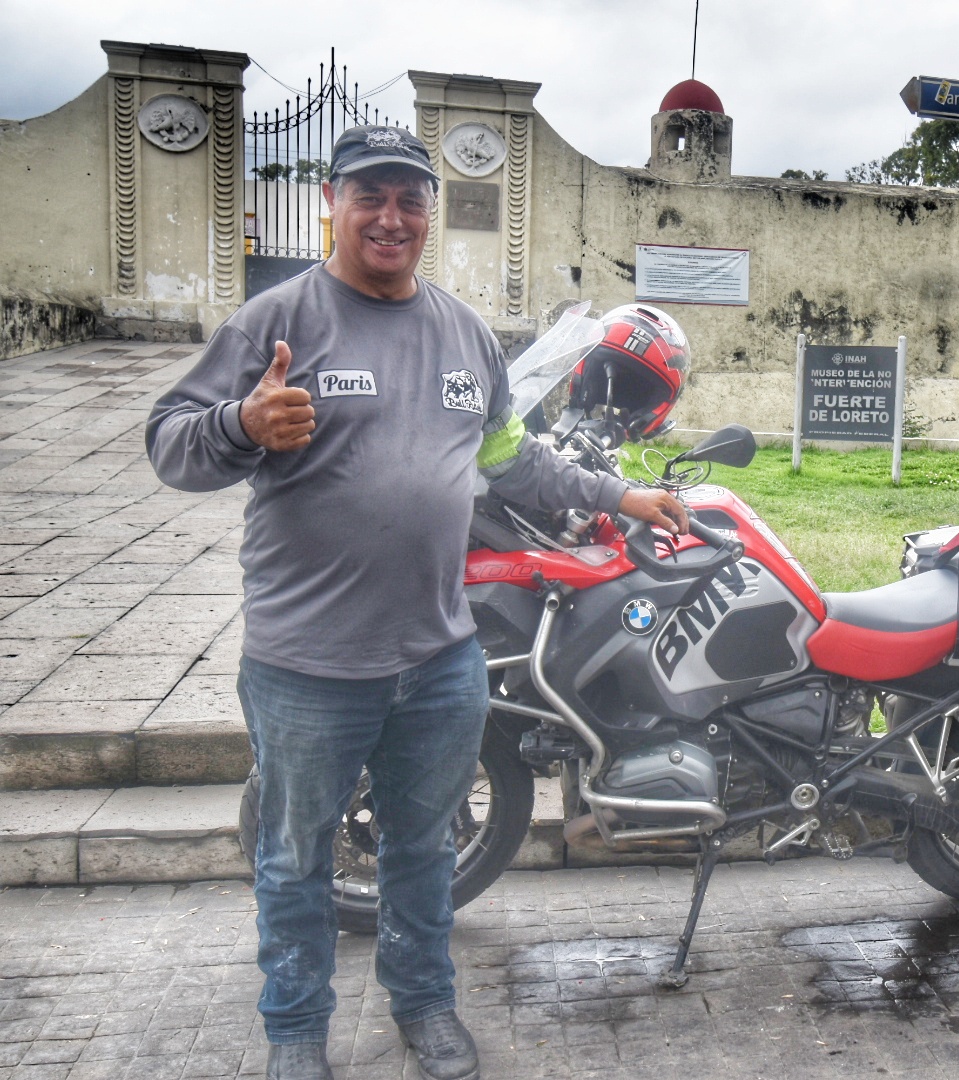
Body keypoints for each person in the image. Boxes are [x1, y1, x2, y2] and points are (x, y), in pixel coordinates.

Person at [145, 125, 687, 1080]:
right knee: (295, 857)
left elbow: (509, 461)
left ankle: (426, 1009)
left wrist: (618, 498)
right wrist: (241, 423)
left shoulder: (463, 334)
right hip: (307, 666)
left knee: (425, 848)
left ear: (430, 212)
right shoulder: (279, 320)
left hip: (440, 657)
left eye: (409, 198)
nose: (390, 216)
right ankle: (295, 1033)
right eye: (370, 196)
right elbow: (170, 443)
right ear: (331, 201)